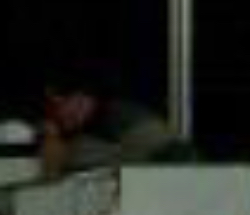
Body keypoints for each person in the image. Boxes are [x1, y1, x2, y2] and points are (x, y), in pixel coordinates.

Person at [39, 62, 195, 179]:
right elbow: (56, 175)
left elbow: (180, 156)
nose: (56, 113)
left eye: (59, 105)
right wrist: (51, 139)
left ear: (82, 98)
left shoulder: (121, 116)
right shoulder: (79, 136)